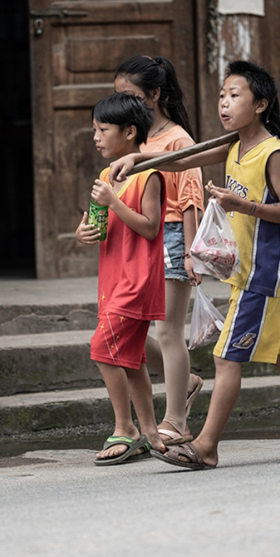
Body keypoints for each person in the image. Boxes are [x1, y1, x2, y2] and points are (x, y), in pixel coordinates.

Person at [111, 60, 280, 469]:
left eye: (234, 95)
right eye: (222, 95)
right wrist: (137, 160)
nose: (224, 103)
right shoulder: (236, 145)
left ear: (260, 104)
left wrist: (243, 205)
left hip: (262, 272)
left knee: (225, 357)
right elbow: (184, 160)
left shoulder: (272, 153)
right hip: (246, 271)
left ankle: (205, 446)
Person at [114, 55, 205, 446]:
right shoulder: (135, 135)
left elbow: (190, 197)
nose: (125, 103)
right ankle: (187, 380)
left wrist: (190, 248)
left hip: (170, 237)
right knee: (127, 330)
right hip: (136, 240)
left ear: (154, 94)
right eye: (119, 96)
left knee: (168, 332)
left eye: (132, 96)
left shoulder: (177, 140)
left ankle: (177, 421)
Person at [75, 92, 166, 465]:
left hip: (137, 278)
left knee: (102, 348)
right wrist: (84, 231)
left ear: (130, 132)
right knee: (129, 359)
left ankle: (124, 426)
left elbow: (149, 228)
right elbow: (101, 226)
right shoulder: (105, 175)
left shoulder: (149, 175)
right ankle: (151, 432)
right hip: (112, 277)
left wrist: (114, 201)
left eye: (103, 129)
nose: (96, 136)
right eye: (94, 129)